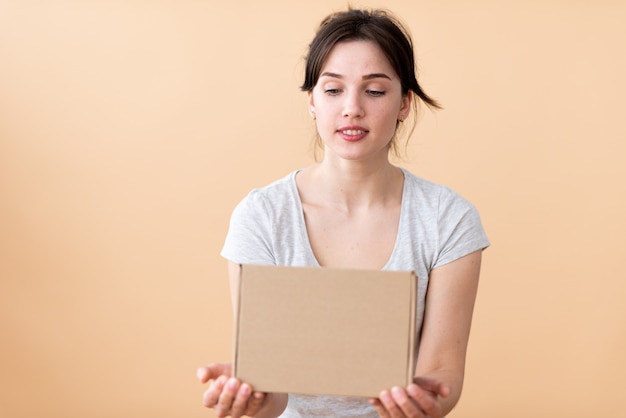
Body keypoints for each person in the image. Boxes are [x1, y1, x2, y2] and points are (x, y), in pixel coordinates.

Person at [197, 7, 489, 418]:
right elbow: (274, 394)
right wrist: (252, 397)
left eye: (375, 90)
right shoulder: (262, 216)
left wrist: (426, 400)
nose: (352, 108)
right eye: (333, 90)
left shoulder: (448, 219)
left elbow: (444, 370)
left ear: (404, 103)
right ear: (312, 102)